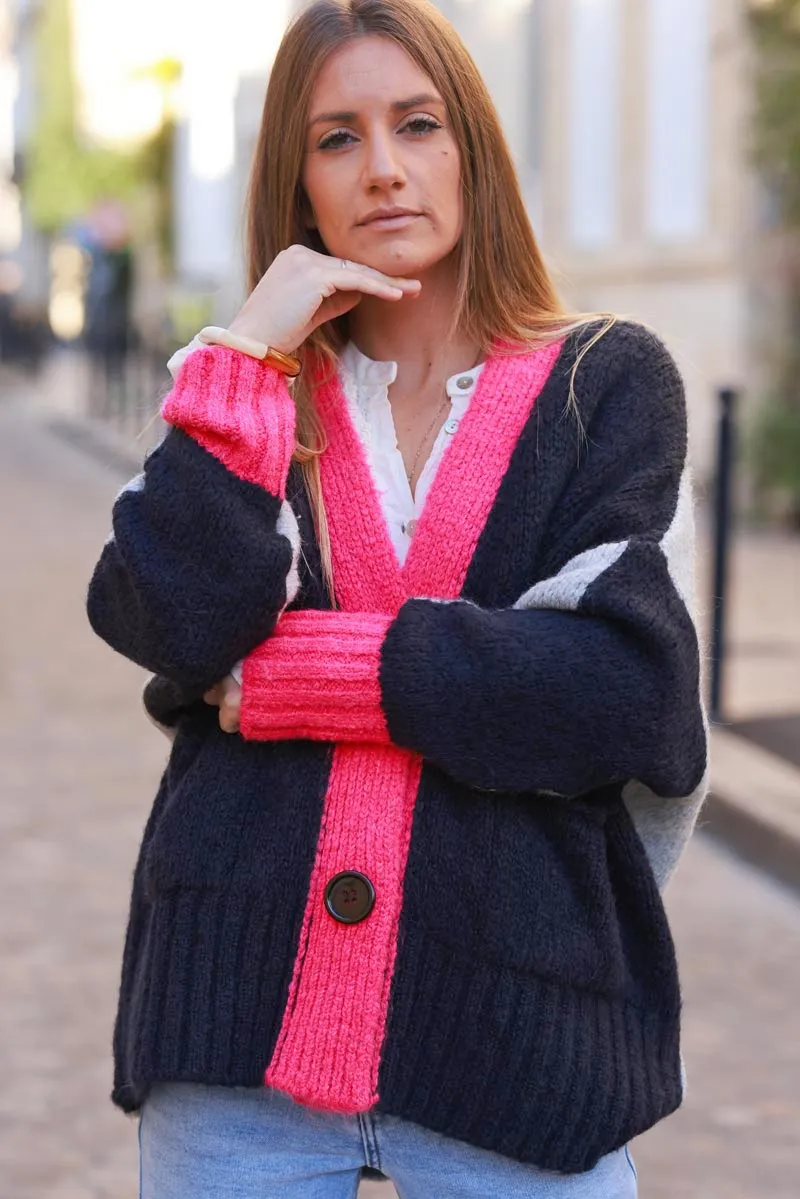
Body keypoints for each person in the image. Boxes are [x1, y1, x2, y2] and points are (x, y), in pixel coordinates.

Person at [86, 1, 708, 1195]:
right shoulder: (249, 393)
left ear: (467, 144)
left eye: (415, 124)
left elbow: (621, 693)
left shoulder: (605, 386)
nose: (381, 169)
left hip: (517, 1040)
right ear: (297, 180)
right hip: (235, 1042)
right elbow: (162, 618)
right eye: (336, 137)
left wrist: (296, 675)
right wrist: (250, 353)